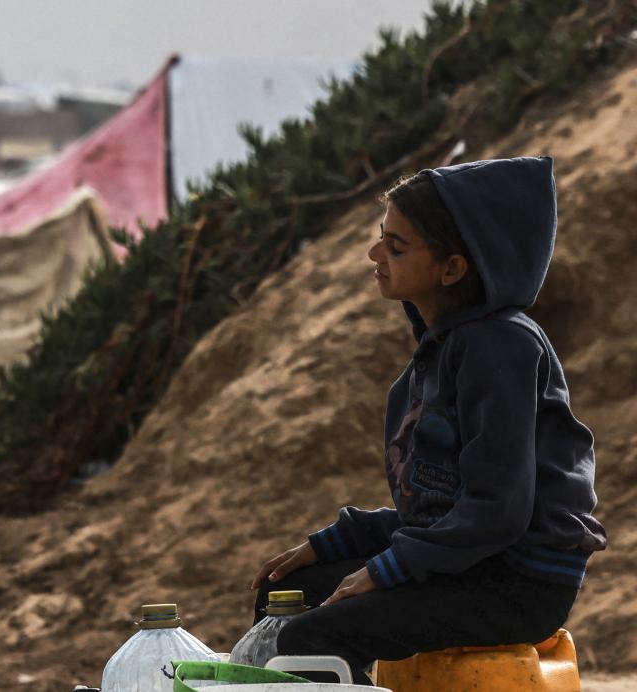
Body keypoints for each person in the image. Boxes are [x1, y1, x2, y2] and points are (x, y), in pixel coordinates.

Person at [250, 156, 605, 684]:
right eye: (380, 239)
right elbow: (440, 514)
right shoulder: (444, 351)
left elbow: (496, 513)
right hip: (474, 563)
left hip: (518, 583)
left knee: (311, 638)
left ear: (452, 268)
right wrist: (339, 542)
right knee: (289, 593)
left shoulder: (501, 345)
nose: (375, 255)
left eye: (396, 247)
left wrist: (385, 569)